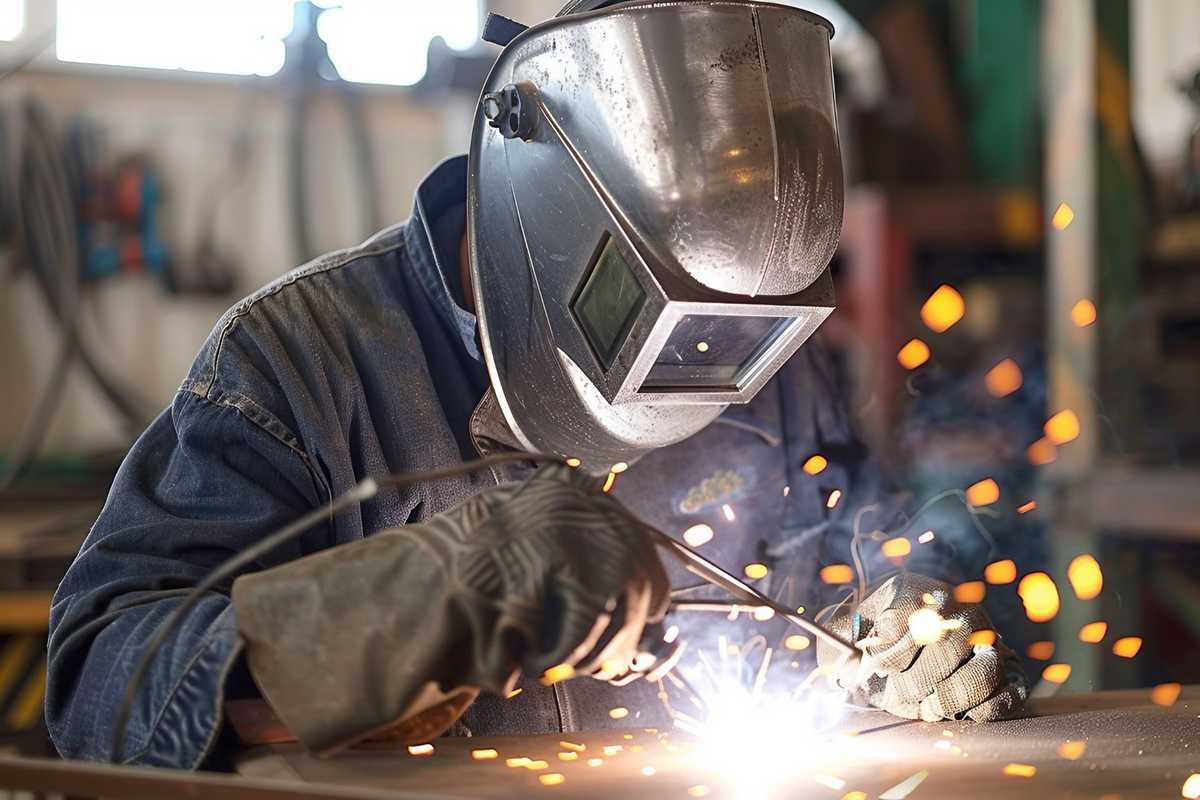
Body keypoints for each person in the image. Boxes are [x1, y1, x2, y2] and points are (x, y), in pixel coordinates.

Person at [45, 0, 1026, 769]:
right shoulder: (294, 363)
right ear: (531, 200)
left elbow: (858, 557)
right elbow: (103, 694)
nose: (702, 379)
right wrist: (429, 595)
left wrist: (902, 624)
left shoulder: (763, 353)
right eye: (642, 311)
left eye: (741, 334)